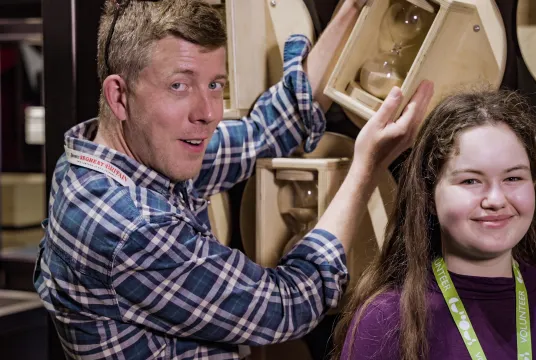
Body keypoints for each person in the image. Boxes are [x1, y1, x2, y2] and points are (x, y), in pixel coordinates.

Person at [32, 0, 435, 358]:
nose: (207, 112)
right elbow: (289, 306)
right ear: (119, 96)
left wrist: (351, 9)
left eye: (214, 85)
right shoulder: (131, 226)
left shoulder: (106, 152)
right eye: (179, 85)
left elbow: (264, 131)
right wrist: (366, 168)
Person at [333, 89, 536, 360]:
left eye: (513, 178)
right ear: (429, 195)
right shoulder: (385, 320)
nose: (495, 199)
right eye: (470, 181)